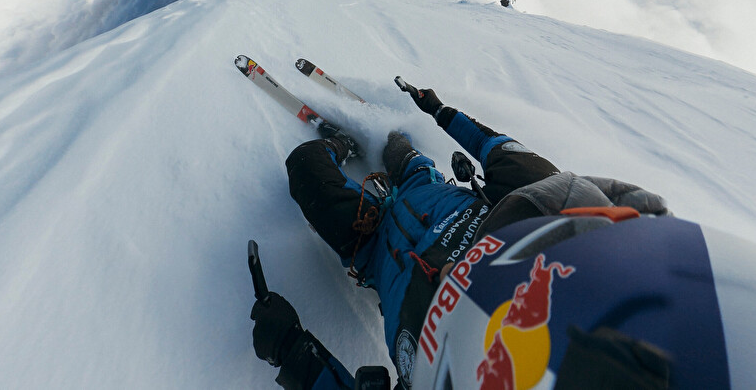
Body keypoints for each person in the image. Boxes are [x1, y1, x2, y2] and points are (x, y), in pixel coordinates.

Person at [250, 81, 670, 389]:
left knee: (306, 169)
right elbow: (496, 148)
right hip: (423, 188)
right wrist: (439, 110)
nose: (454, 271)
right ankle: (373, 146)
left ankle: (342, 146)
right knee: (399, 149)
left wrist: (291, 349)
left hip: (372, 247)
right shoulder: (546, 205)